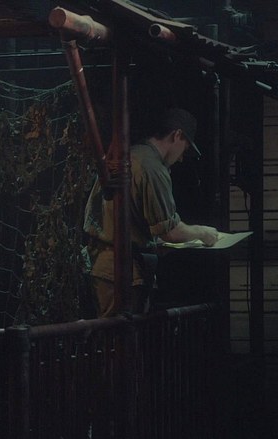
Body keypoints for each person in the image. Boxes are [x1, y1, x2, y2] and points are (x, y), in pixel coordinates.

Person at [83, 108, 220, 317]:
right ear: (177, 135)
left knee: (108, 331)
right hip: (120, 271)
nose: (182, 158)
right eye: (184, 149)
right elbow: (171, 231)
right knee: (119, 333)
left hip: (100, 264)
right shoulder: (152, 167)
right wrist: (202, 232)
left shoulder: (132, 155)